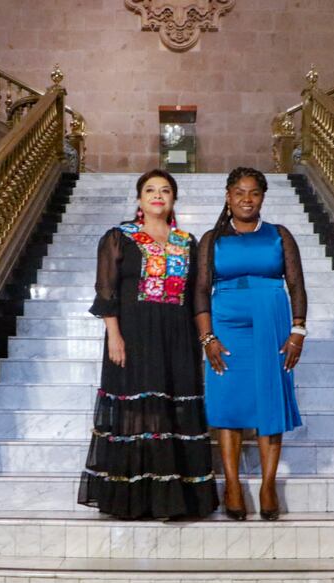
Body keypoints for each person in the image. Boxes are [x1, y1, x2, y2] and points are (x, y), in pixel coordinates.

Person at [78, 169, 219, 519]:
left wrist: (202, 338)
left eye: (165, 190)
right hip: (134, 336)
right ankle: (133, 500)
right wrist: (114, 335)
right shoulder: (119, 237)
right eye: (151, 190)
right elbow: (106, 291)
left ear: (174, 199)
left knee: (173, 411)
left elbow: (197, 294)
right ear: (140, 199)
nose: (158, 195)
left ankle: (174, 501)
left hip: (178, 337)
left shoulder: (187, 242)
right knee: (138, 412)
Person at [194, 167, 307, 521]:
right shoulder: (212, 239)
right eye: (240, 192)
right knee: (227, 402)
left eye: (254, 193)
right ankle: (231, 485)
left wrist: (298, 330)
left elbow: (296, 285)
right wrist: (207, 337)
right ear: (228, 196)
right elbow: (200, 290)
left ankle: (268, 485)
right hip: (226, 324)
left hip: (272, 323)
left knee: (270, 399)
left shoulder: (279, 235)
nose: (247, 199)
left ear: (262, 197)